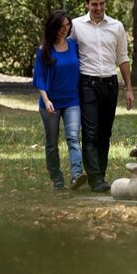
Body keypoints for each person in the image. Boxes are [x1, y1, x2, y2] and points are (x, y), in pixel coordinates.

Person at [70, 0, 134, 192]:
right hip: (87, 84)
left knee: (105, 133)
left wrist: (129, 89)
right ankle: (95, 179)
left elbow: (122, 58)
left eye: (102, 4)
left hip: (110, 84)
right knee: (90, 132)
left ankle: (100, 174)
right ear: (87, 4)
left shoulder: (116, 27)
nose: (98, 8)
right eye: (94, 4)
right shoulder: (76, 26)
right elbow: (65, 50)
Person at [33, 10, 88, 191]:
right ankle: (57, 179)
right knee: (52, 142)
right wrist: (46, 100)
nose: (65, 29)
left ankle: (76, 175)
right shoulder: (44, 50)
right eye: (62, 26)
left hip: (72, 100)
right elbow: (39, 78)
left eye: (67, 25)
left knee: (73, 138)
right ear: (53, 27)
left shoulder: (73, 46)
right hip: (51, 102)